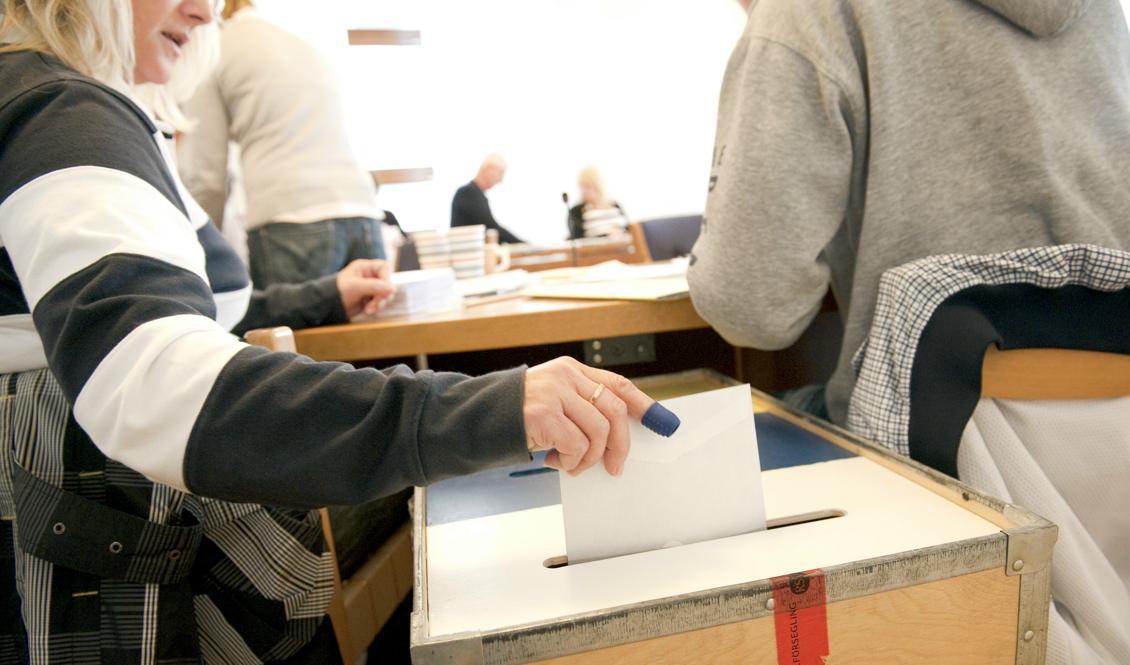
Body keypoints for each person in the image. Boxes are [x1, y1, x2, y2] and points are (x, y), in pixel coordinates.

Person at [0, 1, 666, 660]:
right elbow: (156, 384)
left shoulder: (83, 107)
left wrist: (327, 295)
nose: (205, 10)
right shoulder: (64, 111)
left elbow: (193, 307)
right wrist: (488, 408)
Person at [687, 0, 1130, 425]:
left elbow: (751, 307)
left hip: (933, 436)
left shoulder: (805, 11)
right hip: (1110, 432)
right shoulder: (1099, 10)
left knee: (713, 423)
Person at [178, 0, 387, 289]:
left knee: (297, 333)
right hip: (363, 212)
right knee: (371, 333)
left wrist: (197, 254)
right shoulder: (301, 45)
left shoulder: (214, 49)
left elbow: (205, 176)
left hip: (291, 218)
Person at [451, 154, 524, 243]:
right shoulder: (468, 193)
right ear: (489, 169)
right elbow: (491, 227)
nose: (500, 180)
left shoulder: (476, 194)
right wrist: (524, 244)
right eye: (500, 173)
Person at [567, 167, 629, 240]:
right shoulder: (576, 211)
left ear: (598, 186)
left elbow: (628, 229)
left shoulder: (615, 206)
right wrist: (606, 236)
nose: (584, 191)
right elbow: (578, 240)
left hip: (623, 248)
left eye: (587, 186)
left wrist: (619, 232)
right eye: (581, 186)